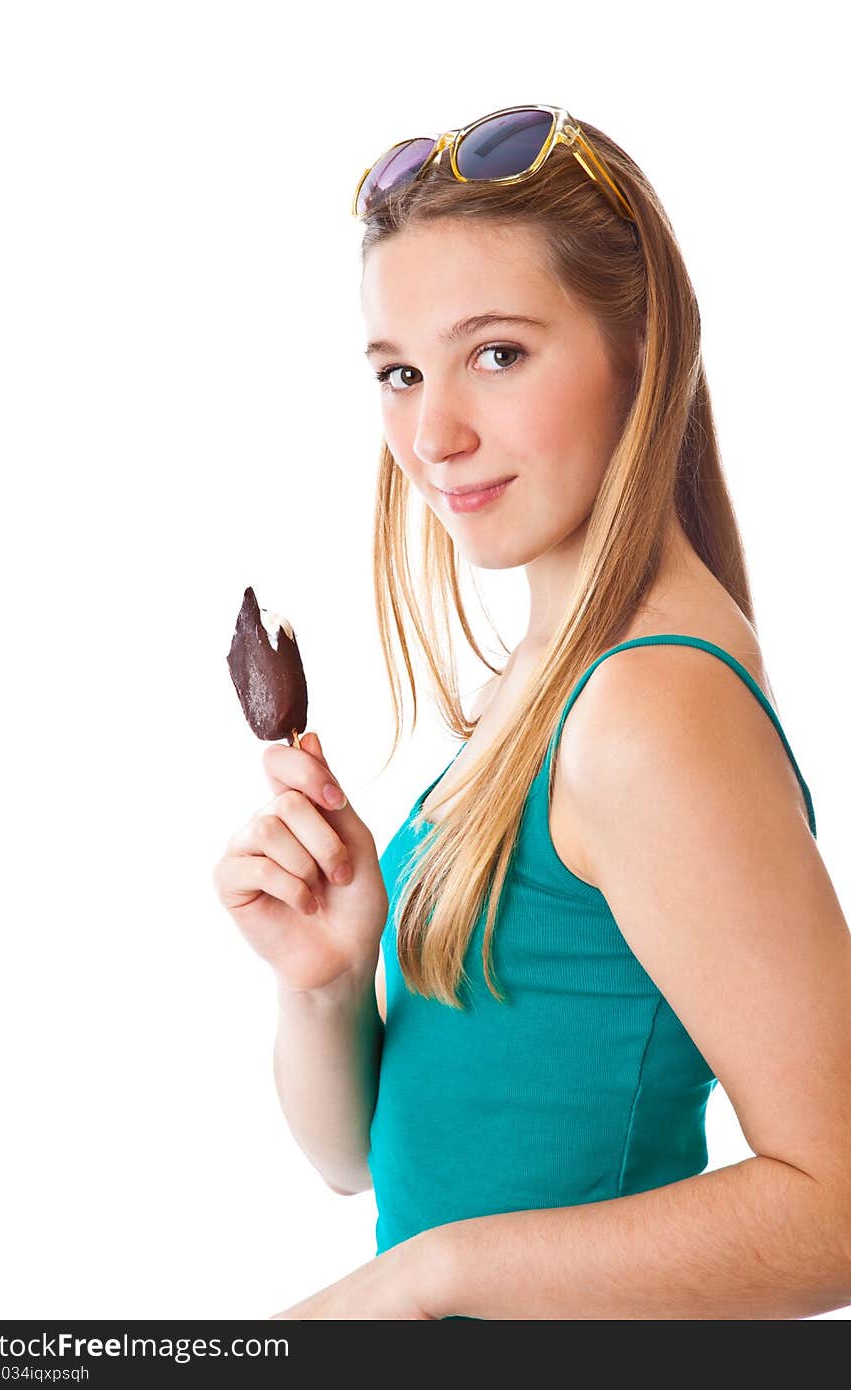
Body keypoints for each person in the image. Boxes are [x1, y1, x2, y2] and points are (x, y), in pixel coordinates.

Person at [212, 105, 851, 1319]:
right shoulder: (553, 672)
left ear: (641, 348)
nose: (431, 434)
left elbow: (839, 1204)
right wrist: (329, 976)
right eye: (399, 371)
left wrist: (431, 1280)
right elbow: (356, 1160)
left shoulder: (648, 705)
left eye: (496, 354)